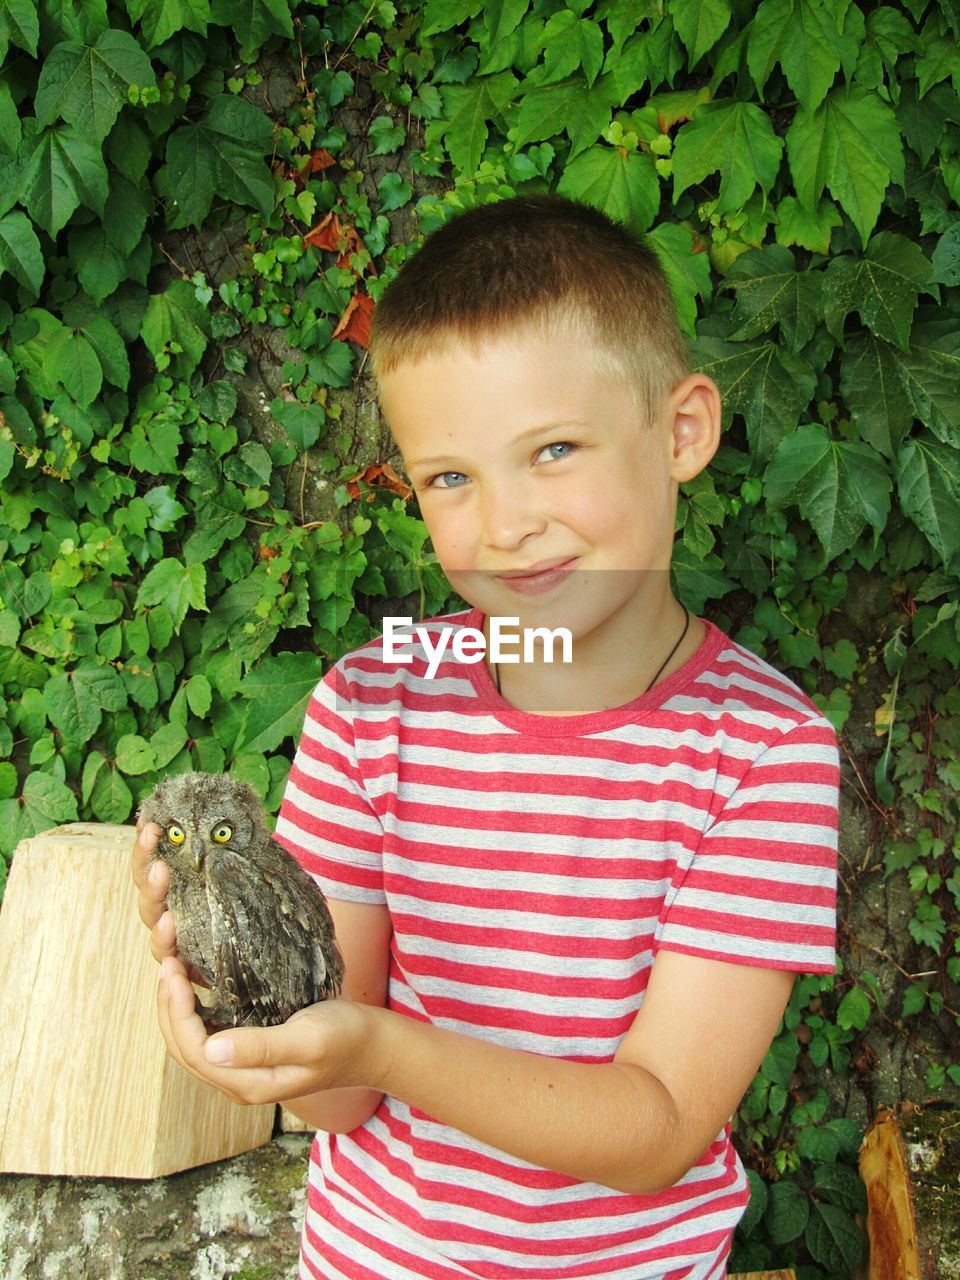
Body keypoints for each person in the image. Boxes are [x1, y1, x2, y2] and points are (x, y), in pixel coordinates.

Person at [133, 195, 839, 1280]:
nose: (505, 524)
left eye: (553, 449)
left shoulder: (763, 748)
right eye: (450, 477)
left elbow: (655, 1129)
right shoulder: (373, 698)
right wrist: (246, 1021)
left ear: (681, 430)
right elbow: (338, 1090)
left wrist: (376, 1042)